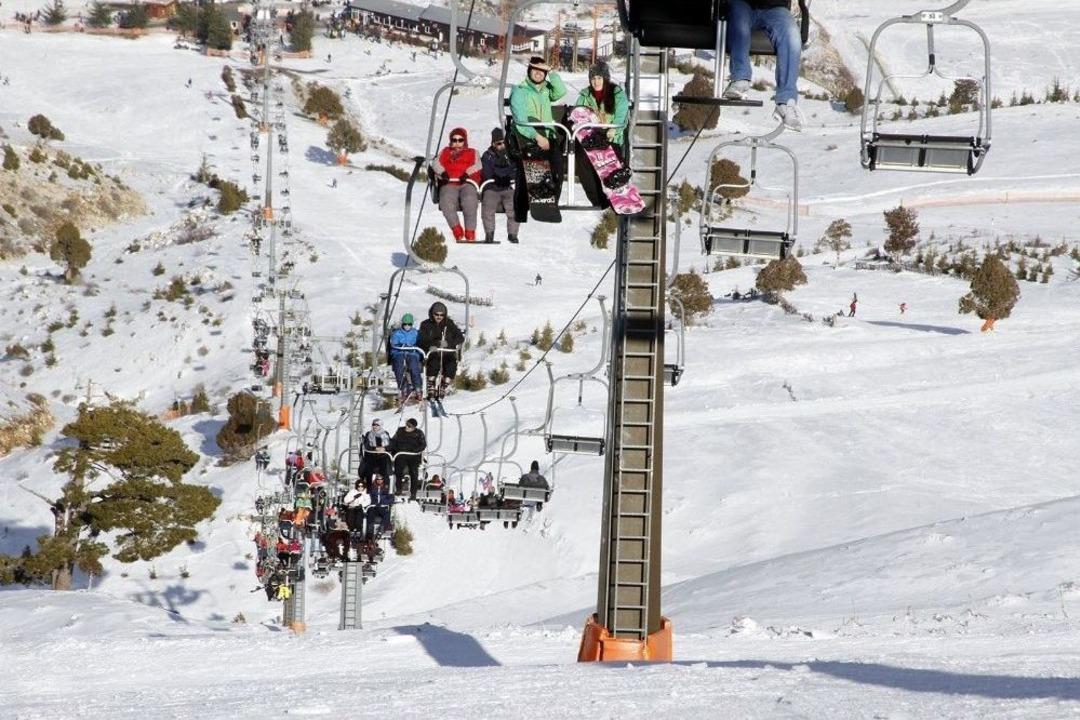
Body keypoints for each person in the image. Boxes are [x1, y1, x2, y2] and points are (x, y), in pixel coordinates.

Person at [721, 0, 805, 132]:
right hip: (742, 4)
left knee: (792, 36)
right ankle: (740, 79)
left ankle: (785, 102)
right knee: (739, 23)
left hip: (775, 7)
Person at [509, 56, 567, 221]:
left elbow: (561, 91)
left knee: (557, 170)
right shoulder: (519, 91)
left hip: (548, 136)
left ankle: (547, 203)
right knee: (528, 173)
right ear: (529, 71)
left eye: (542, 71)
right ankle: (521, 211)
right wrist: (536, 136)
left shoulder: (546, 90)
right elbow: (520, 120)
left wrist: (552, 72)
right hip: (528, 136)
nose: (539, 74)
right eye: (535, 70)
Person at [572, 60, 629, 207]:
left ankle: (616, 195)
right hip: (591, 138)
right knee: (583, 162)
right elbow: (578, 112)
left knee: (608, 165)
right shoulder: (585, 95)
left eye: (599, 78)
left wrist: (613, 130)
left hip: (610, 136)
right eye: (593, 78)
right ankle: (598, 200)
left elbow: (621, 114)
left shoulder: (616, 94)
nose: (596, 82)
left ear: (605, 78)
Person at [431, 127, 482, 242]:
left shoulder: (472, 152)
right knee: (445, 200)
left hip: (467, 182)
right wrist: (442, 172)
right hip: (450, 182)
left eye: (460, 140)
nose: (457, 143)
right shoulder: (445, 151)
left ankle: (470, 231)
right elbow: (435, 163)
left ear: (465, 141)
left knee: (469, 200)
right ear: (451, 141)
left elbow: (478, 165)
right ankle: (456, 229)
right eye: (454, 140)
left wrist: (467, 174)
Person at [417, 301, 465, 399]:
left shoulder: (449, 324)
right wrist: (434, 345)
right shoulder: (426, 325)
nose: (439, 317)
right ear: (432, 314)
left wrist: (449, 343)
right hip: (433, 352)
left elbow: (460, 337)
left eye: (442, 315)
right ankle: (431, 383)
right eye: (436, 314)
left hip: (446, 352)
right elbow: (422, 340)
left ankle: (444, 384)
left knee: (451, 364)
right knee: (434, 362)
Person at [480, 128, 520, 244]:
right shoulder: (488, 156)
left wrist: (505, 175)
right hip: (492, 188)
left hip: (507, 187)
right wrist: (502, 174)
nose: (502, 146)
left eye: (504, 143)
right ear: (493, 144)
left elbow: (515, 171)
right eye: (499, 143)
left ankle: (512, 234)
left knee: (514, 207)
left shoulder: (511, 155)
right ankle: (489, 234)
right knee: (488, 207)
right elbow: (488, 173)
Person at [389, 313, 423, 402]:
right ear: (402, 324)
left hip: (412, 353)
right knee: (399, 368)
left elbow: (420, 343)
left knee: (414, 367)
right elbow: (393, 343)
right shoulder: (397, 333)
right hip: (399, 352)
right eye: (405, 324)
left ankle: (418, 387)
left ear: (412, 324)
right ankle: (403, 387)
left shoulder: (415, 333)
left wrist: (415, 347)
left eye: (409, 324)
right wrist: (400, 345)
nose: (407, 326)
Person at [390, 418, 426, 500]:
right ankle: (399, 489)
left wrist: (414, 451)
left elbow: (423, 445)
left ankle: (413, 493)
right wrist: (394, 449)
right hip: (401, 454)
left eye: (409, 426)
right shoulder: (400, 431)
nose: (407, 427)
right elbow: (393, 441)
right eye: (406, 424)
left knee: (414, 473)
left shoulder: (418, 433)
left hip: (413, 456)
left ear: (413, 427)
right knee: (398, 470)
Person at [359, 419, 392, 485]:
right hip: (371, 456)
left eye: (377, 425)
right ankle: (368, 488)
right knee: (368, 470)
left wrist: (384, 448)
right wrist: (375, 448)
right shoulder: (369, 434)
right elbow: (366, 445)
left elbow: (391, 445)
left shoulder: (385, 434)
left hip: (383, 456)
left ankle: (385, 487)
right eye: (373, 425)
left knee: (385, 469)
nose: (375, 426)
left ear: (381, 426)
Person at [365, 474, 395, 540]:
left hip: (382, 506)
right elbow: (367, 497)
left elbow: (391, 499)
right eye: (378, 479)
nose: (379, 481)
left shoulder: (386, 488)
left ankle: (381, 530)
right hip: (373, 506)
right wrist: (372, 503)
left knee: (387, 513)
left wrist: (383, 502)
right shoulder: (372, 488)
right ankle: (370, 532)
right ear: (376, 480)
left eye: (381, 480)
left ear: (383, 480)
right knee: (370, 513)